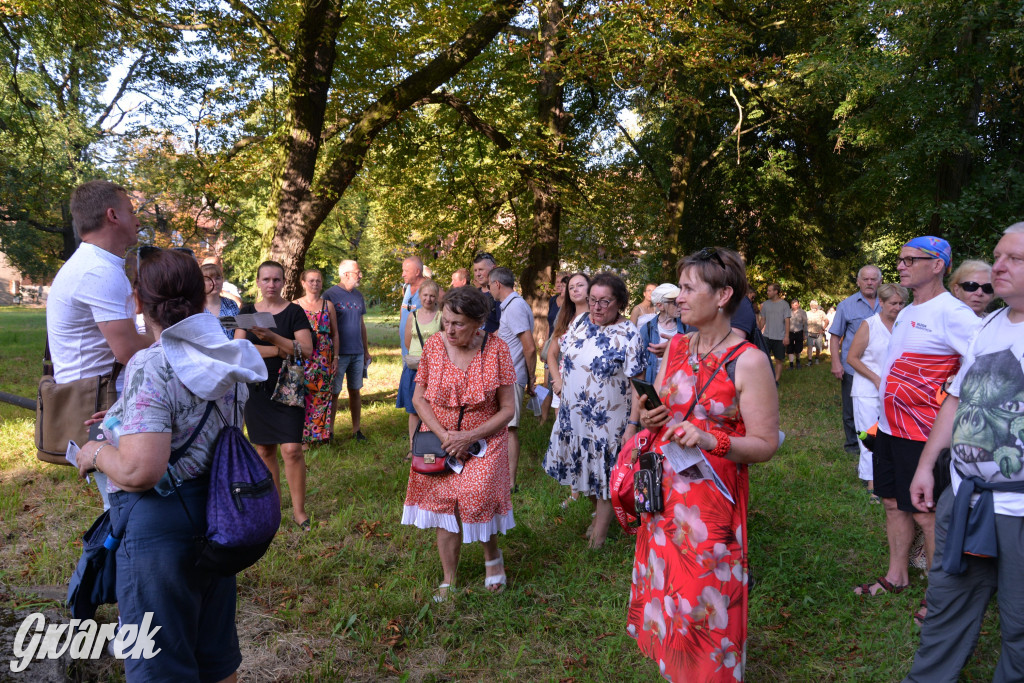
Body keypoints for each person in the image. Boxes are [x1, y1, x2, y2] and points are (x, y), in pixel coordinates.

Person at [78, 248, 266, 682]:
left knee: (159, 664)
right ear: (202, 296)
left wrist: (95, 453)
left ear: (139, 303)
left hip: (161, 527)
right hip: (219, 516)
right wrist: (122, 417)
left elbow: (141, 470)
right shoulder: (226, 354)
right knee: (214, 658)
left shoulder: (152, 362)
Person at [629, 246, 780, 682]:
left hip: (709, 506)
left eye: (689, 288)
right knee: (667, 591)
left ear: (722, 295)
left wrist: (711, 438)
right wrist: (650, 414)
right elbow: (648, 411)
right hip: (663, 496)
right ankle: (674, 670)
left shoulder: (748, 361)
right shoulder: (675, 346)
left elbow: (766, 444)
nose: (679, 297)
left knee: (704, 598)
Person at [903, 223, 1024, 681]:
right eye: (998, 255)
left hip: (1019, 509)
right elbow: (956, 397)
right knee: (947, 604)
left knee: (1019, 621)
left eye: (1015, 258)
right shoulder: (988, 324)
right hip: (965, 495)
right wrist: (926, 465)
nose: (999, 266)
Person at [853, 237, 981, 612]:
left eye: (911, 259)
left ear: (938, 264)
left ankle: (940, 595)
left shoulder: (953, 312)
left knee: (927, 512)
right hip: (890, 428)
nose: (901, 265)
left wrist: (947, 389)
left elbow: (981, 361)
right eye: (900, 259)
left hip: (923, 432)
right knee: (893, 502)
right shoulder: (907, 311)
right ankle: (897, 576)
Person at [401, 286, 517, 602]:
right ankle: (448, 578)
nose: (449, 330)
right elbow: (418, 398)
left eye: (459, 324)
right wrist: (445, 436)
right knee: (444, 505)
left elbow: (508, 409)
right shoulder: (435, 346)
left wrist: (469, 436)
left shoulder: (498, 350)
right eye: (446, 321)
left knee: (477, 498)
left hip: (484, 440)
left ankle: (492, 556)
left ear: (479, 323)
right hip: (439, 439)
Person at [48, 180, 153, 509]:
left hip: (98, 398)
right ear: (113, 216)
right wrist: (170, 333)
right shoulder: (98, 270)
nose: (137, 221)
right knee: (129, 506)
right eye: (131, 212)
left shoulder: (96, 264)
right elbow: (128, 351)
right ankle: (120, 561)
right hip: (99, 405)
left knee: (124, 504)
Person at [543, 272, 645, 548]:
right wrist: (558, 382)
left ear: (619, 303)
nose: (597, 307)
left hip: (609, 419)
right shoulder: (579, 322)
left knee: (605, 475)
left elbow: (639, 384)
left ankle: (598, 538)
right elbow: (559, 354)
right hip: (574, 415)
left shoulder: (629, 333)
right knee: (583, 471)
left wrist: (633, 425)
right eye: (593, 300)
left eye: (605, 302)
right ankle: (600, 517)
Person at [236, 261, 314, 530]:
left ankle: (299, 511)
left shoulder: (294, 312)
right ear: (257, 282)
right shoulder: (246, 311)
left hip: (288, 387)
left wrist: (270, 337)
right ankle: (275, 507)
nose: (271, 284)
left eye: (276, 280)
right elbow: (238, 349)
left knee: (292, 450)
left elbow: (306, 350)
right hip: (256, 388)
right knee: (264, 449)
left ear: (284, 282)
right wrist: (278, 351)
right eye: (266, 279)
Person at [847, 283, 908, 502]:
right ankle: (872, 484)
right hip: (867, 391)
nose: (897, 307)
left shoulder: (906, 325)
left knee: (894, 436)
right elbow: (852, 357)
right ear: (881, 303)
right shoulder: (869, 325)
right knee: (870, 435)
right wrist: (875, 378)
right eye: (893, 303)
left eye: (901, 303)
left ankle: (893, 477)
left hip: (897, 391)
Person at [488, 267, 536, 491]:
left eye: (489, 286)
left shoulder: (515, 306)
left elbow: (529, 347)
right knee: (501, 428)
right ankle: (501, 477)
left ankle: (510, 483)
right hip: (505, 376)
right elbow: (503, 335)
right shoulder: (509, 306)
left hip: (513, 376)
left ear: (497, 284)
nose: (489, 290)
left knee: (510, 429)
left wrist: (531, 379)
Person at [830, 266, 882, 455]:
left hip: (881, 368)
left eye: (873, 279)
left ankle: (878, 440)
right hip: (853, 368)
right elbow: (835, 337)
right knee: (851, 409)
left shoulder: (888, 303)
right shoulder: (846, 305)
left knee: (881, 406)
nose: (869, 283)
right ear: (858, 282)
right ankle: (853, 444)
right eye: (866, 279)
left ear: (880, 282)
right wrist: (836, 363)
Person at [324, 259, 371, 441]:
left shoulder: (358, 296)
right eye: (357, 272)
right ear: (345, 274)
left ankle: (356, 430)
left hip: (357, 352)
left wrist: (366, 351)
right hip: (338, 354)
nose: (360, 275)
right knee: (334, 392)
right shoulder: (329, 295)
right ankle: (330, 432)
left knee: (355, 390)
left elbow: (362, 324)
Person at [294, 268, 339, 445]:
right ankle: (302, 438)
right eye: (311, 280)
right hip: (303, 356)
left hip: (324, 357)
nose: (315, 284)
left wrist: (336, 358)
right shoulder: (295, 305)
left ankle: (320, 436)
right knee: (302, 395)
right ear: (303, 283)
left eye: (318, 280)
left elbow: (335, 334)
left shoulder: (328, 305)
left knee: (322, 395)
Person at [397, 279, 441, 458]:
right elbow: (408, 342)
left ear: (437, 297)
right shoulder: (412, 315)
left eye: (432, 296)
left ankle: (431, 446)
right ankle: (413, 447)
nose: (428, 299)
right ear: (419, 297)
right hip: (414, 368)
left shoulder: (441, 316)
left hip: (435, 369)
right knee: (413, 409)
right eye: (425, 295)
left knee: (433, 410)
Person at [638, 283, 685, 384]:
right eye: (675, 302)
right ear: (660, 305)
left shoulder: (687, 327)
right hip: (656, 384)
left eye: (680, 300)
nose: (680, 305)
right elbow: (641, 364)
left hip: (680, 385)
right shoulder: (647, 329)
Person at [539, 275, 568, 422]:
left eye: (562, 283)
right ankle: (542, 416)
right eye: (557, 282)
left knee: (554, 380)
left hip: (562, 347)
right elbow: (548, 324)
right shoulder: (552, 300)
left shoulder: (570, 304)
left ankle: (558, 416)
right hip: (550, 343)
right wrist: (545, 343)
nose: (559, 285)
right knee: (545, 383)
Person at [760, 283, 790, 383]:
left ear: (776, 291)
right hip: (767, 336)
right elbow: (762, 320)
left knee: (778, 360)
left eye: (769, 290)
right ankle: (766, 379)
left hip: (780, 337)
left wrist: (786, 336)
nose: (767, 292)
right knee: (764, 359)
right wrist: (758, 332)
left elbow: (787, 321)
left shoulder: (784, 304)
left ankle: (775, 381)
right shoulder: (765, 304)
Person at [202, 262, 240, 340]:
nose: (214, 283)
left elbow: (238, 333)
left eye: (218, 278)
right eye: (208, 279)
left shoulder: (231, 305)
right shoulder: (194, 308)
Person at [399, 256, 426, 358]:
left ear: (417, 272)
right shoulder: (406, 287)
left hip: (421, 352)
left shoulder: (429, 288)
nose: (403, 274)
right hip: (406, 351)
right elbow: (403, 309)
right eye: (403, 271)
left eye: (406, 271)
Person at [472, 252, 501, 333]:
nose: (477, 274)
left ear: (493, 268)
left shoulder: (500, 295)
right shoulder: (473, 295)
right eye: (475, 270)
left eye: (481, 269)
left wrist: (487, 342)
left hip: (495, 343)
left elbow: (505, 328)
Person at [806, 300, 829, 364]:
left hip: (819, 333)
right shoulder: (807, 313)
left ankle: (817, 358)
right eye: (812, 306)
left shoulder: (821, 312)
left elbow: (827, 321)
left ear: (817, 306)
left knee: (818, 347)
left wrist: (823, 329)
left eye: (815, 306)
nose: (814, 308)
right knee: (809, 346)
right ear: (810, 306)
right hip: (809, 332)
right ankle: (810, 360)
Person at [787, 299, 807, 369]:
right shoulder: (788, 312)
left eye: (795, 305)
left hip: (799, 332)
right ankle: (791, 365)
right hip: (790, 333)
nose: (794, 306)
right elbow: (784, 324)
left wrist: (805, 334)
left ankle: (798, 362)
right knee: (790, 349)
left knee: (798, 349)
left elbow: (805, 324)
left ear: (798, 305)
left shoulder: (802, 312)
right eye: (792, 305)